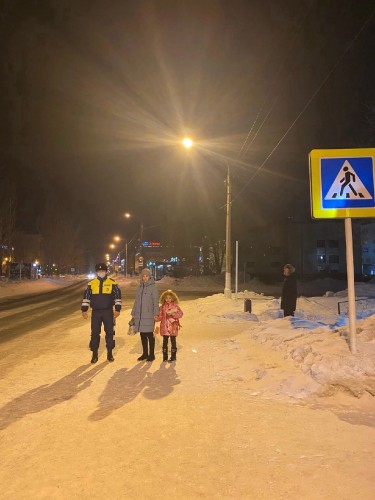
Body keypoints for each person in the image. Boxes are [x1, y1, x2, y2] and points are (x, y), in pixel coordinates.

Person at [81, 263, 122, 363]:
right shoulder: (91, 284)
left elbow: (117, 297)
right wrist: (84, 310)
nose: (101, 272)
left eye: (103, 271)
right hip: (96, 312)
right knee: (95, 333)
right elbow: (86, 298)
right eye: (99, 271)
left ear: (106, 271)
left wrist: (117, 309)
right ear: (96, 272)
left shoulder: (113, 283)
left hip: (108, 312)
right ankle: (94, 354)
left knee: (110, 332)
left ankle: (110, 353)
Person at [131, 268, 159, 362]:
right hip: (140, 314)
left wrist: (156, 313)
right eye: (143, 276)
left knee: (150, 334)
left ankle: (151, 354)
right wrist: (134, 313)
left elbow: (155, 302)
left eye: (147, 276)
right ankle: (145, 353)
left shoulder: (153, 287)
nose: (145, 278)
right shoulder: (140, 287)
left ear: (150, 277)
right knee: (142, 334)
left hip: (149, 314)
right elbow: (136, 301)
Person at [157, 289, 183, 362]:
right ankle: (165, 357)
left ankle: (173, 356)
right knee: (165, 341)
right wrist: (157, 318)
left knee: (173, 341)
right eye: (166, 298)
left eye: (169, 298)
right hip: (164, 326)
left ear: (172, 298)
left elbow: (181, 314)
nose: (168, 299)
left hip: (173, 326)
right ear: (164, 299)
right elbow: (160, 316)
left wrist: (173, 314)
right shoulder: (162, 307)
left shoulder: (175, 306)